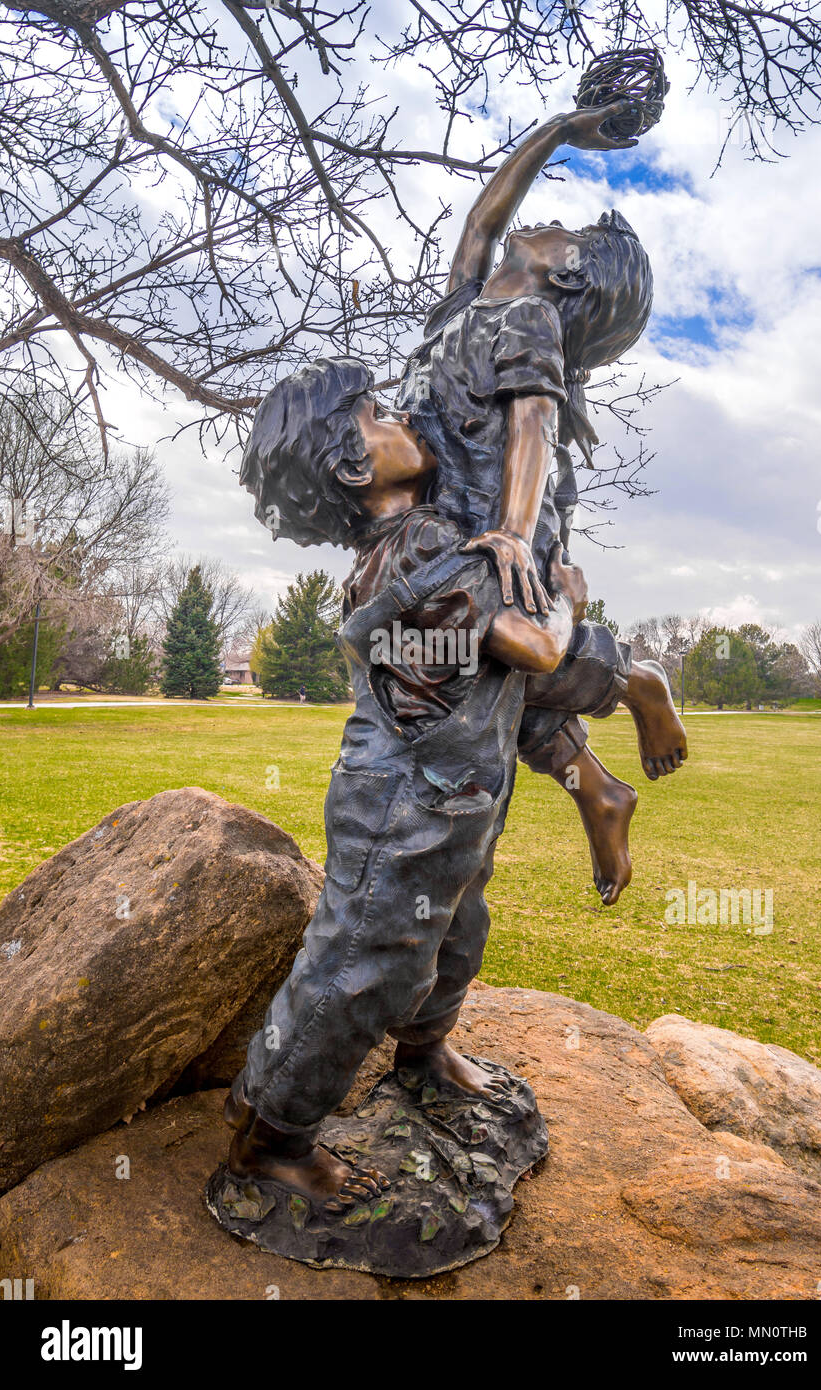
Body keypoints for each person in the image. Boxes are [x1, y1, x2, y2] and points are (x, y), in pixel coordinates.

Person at [229, 357, 589, 1209]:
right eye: (379, 413)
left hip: (455, 793)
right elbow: (537, 647)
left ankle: (426, 1053)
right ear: (356, 466)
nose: (402, 417)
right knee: (364, 963)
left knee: (456, 929)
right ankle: (270, 1137)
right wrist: (568, 599)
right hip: (404, 801)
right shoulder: (421, 547)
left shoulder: (423, 536)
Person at [396, 100, 687, 904]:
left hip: (503, 527)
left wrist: (516, 534)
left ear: (565, 274)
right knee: (477, 681)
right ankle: (596, 786)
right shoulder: (464, 307)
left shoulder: (528, 318)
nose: (547, 221)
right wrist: (560, 129)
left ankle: (632, 680)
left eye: (569, 234)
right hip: (459, 529)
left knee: (502, 654)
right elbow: (481, 221)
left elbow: (532, 426)